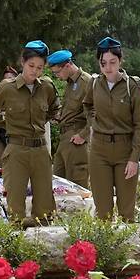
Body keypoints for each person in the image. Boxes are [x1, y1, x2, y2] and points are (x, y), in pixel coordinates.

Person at [0, 40, 60, 223]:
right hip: (17, 150)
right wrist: (8, 125)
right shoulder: (7, 88)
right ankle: (15, 245)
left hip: (41, 150)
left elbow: (53, 109)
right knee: (15, 206)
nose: (35, 71)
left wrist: (40, 122)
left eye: (40, 67)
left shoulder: (47, 87)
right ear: (22, 62)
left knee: (44, 208)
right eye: (31, 65)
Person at [83, 37, 140, 221]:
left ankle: (129, 249)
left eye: (113, 62)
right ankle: (105, 249)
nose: (108, 68)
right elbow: (87, 105)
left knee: (127, 209)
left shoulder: (132, 86)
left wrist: (134, 158)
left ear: (120, 61)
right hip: (99, 150)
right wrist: (93, 120)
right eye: (103, 63)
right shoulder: (94, 83)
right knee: (103, 210)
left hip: (124, 149)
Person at [47, 49, 91, 188]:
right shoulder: (70, 84)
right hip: (64, 139)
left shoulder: (87, 82)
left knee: (77, 187)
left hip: (77, 140)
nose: (57, 76)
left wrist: (83, 135)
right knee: (59, 186)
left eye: (57, 72)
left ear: (67, 65)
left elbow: (98, 114)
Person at [0, 66, 17, 167]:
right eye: (5, 79)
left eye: (10, 78)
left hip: (16, 136)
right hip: (2, 133)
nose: (7, 81)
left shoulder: (21, 95)